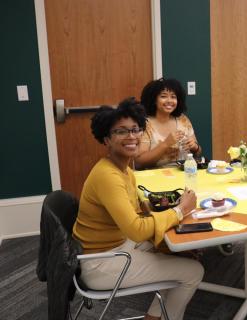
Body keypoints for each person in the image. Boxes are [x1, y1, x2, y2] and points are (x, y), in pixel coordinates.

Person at [73, 98, 204, 320]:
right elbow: (136, 229)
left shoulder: (122, 169)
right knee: (194, 272)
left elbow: (137, 210)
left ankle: (154, 316)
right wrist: (179, 211)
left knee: (175, 250)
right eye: (121, 132)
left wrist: (168, 209)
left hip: (112, 245)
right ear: (106, 139)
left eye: (135, 130)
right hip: (100, 263)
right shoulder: (108, 176)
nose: (132, 136)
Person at [135, 78, 202, 169]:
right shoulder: (145, 124)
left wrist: (195, 147)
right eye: (163, 96)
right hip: (156, 177)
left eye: (173, 97)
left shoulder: (183, 119)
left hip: (185, 174)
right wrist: (166, 144)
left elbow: (198, 152)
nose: (169, 101)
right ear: (154, 99)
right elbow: (139, 162)